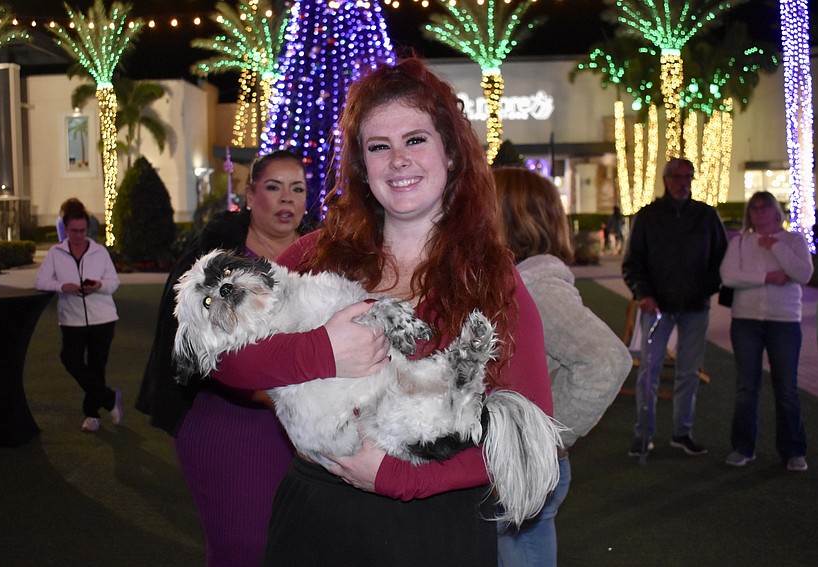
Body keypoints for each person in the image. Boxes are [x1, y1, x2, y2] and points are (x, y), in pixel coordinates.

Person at [209, 58, 554, 566]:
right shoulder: (312, 256)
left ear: (451, 154)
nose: (398, 161)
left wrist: (402, 477)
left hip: (435, 530)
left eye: (415, 140)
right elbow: (225, 360)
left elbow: (532, 431)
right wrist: (322, 349)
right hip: (320, 520)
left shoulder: (490, 279)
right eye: (378, 146)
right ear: (361, 166)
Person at [136, 150, 307, 566]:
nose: (287, 198)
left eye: (297, 188)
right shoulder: (216, 261)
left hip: (312, 433)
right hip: (235, 425)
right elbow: (201, 351)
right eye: (273, 187)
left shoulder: (323, 257)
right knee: (245, 549)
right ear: (250, 195)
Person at [493, 167, 632, 566]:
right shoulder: (521, 282)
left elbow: (607, 361)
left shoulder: (537, 288)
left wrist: (540, 444)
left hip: (526, 471)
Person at [622, 157, 728, 457]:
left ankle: (683, 432)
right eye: (678, 176)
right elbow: (633, 263)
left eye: (688, 177)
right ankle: (643, 434)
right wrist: (643, 294)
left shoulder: (706, 216)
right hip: (656, 306)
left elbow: (722, 260)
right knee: (649, 371)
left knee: (688, 371)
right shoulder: (648, 216)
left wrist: (705, 289)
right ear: (666, 179)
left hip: (695, 306)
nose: (684, 182)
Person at [719, 191, 813, 471]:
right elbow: (728, 276)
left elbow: (803, 274)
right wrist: (768, 277)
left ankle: (793, 450)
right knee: (747, 387)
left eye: (765, 207)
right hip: (746, 321)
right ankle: (743, 447)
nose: (759, 212)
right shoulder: (740, 243)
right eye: (754, 208)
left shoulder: (793, 241)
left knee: (786, 388)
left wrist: (775, 247)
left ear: (776, 212)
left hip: (784, 321)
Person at [35, 198, 122, 432]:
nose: (78, 235)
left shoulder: (99, 252)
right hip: (71, 319)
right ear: (65, 228)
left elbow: (114, 282)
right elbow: (41, 281)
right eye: (74, 231)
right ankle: (109, 398)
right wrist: (63, 286)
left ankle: (91, 415)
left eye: (82, 230)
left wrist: (98, 285)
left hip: (103, 318)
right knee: (70, 359)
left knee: (97, 367)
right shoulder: (55, 253)